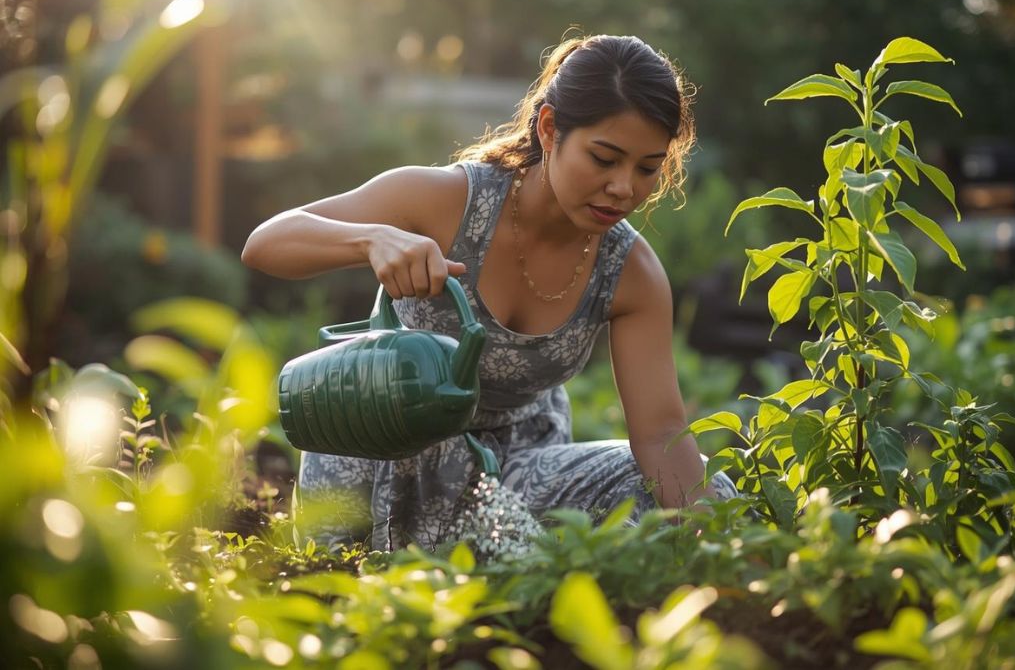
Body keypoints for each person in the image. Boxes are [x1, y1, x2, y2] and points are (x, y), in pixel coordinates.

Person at [241, 33, 738, 552]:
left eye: (647, 169)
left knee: (708, 490)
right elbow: (266, 244)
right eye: (604, 158)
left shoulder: (630, 272)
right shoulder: (445, 201)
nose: (623, 188)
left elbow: (660, 435)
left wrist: (718, 545)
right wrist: (371, 238)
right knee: (349, 578)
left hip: (513, 478)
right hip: (384, 453)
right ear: (549, 129)